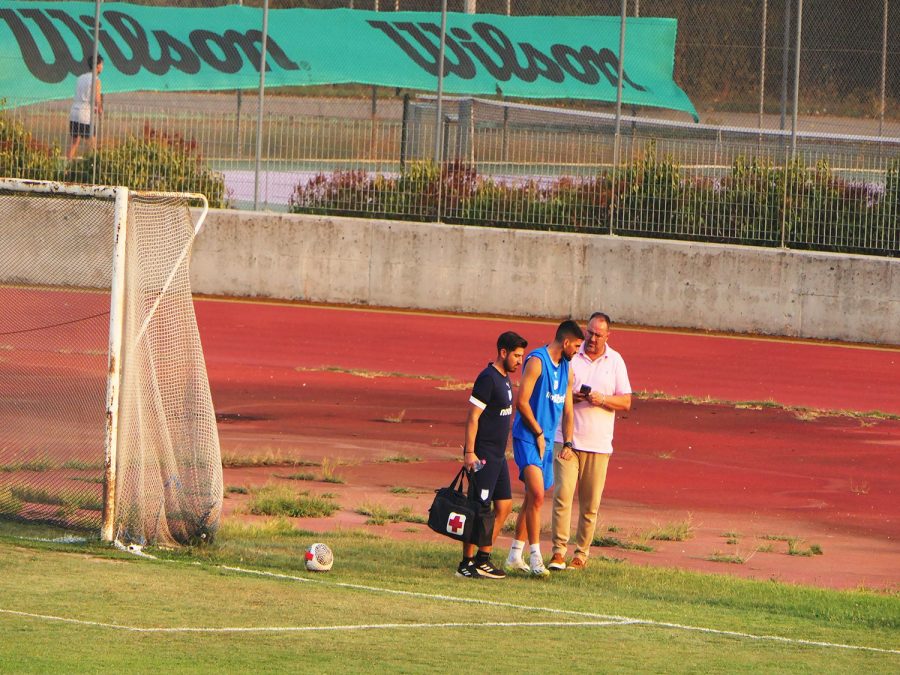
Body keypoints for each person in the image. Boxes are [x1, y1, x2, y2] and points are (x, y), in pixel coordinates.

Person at [548, 312, 632, 571]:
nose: (592, 339)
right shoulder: (571, 355)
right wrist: (573, 396)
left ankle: (581, 554)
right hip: (567, 441)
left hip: (598, 445)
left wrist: (602, 399)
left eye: (598, 334)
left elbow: (626, 401)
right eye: (589, 333)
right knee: (562, 496)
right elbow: (556, 389)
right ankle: (558, 552)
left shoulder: (615, 361)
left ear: (608, 335)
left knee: (590, 504)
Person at [504, 320, 583, 576]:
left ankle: (515, 553)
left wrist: (568, 442)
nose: (578, 351)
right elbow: (522, 402)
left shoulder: (568, 369)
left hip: (548, 441)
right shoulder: (537, 361)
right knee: (537, 495)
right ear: (566, 342)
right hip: (528, 437)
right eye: (577, 346)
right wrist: (537, 432)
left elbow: (568, 409)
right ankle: (536, 556)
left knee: (531, 498)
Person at [456, 331, 528, 579]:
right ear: (503, 352)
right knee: (478, 509)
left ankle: (483, 558)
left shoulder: (505, 378)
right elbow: (472, 417)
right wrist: (469, 452)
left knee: (505, 506)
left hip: (499, 457)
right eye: (517, 356)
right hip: (483, 455)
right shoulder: (487, 378)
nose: (520, 361)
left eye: (522, 356)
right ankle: (466, 563)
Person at [67, 54, 103, 160]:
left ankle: (66, 168)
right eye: (101, 64)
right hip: (85, 115)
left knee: (74, 142)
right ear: (97, 65)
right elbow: (97, 98)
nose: (102, 66)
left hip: (74, 112)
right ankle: (93, 166)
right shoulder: (96, 80)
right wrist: (99, 108)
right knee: (92, 142)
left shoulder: (80, 78)